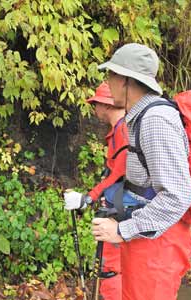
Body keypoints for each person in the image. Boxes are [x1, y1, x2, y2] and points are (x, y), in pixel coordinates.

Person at [91, 43, 191, 300]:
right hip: (147, 240)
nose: (108, 81)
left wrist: (122, 230)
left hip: (159, 247)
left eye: (111, 75)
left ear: (125, 80)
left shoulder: (155, 121)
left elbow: (177, 196)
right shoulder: (142, 117)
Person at [64, 82, 127, 299]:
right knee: (113, 267)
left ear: (106, 105)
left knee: (110, 269)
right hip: (117, 206)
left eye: (95, 104)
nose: (94, 110)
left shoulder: (123, 131)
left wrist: (88, 198)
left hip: (120, 212)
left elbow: (119, 173)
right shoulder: (120, 129)